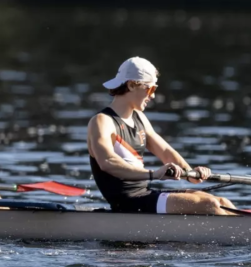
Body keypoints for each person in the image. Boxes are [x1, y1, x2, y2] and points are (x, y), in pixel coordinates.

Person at [87, 57, 235, 215]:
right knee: (209, 205)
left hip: (144, 196)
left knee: (222, 202)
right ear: (131, 85)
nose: (153, 96)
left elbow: (165, 152)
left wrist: (190, 174)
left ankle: (248, 229)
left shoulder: (139, 118)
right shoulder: (102, 121)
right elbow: (107, 162)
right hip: (127, 203)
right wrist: (154, 174)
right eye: (150, 89)